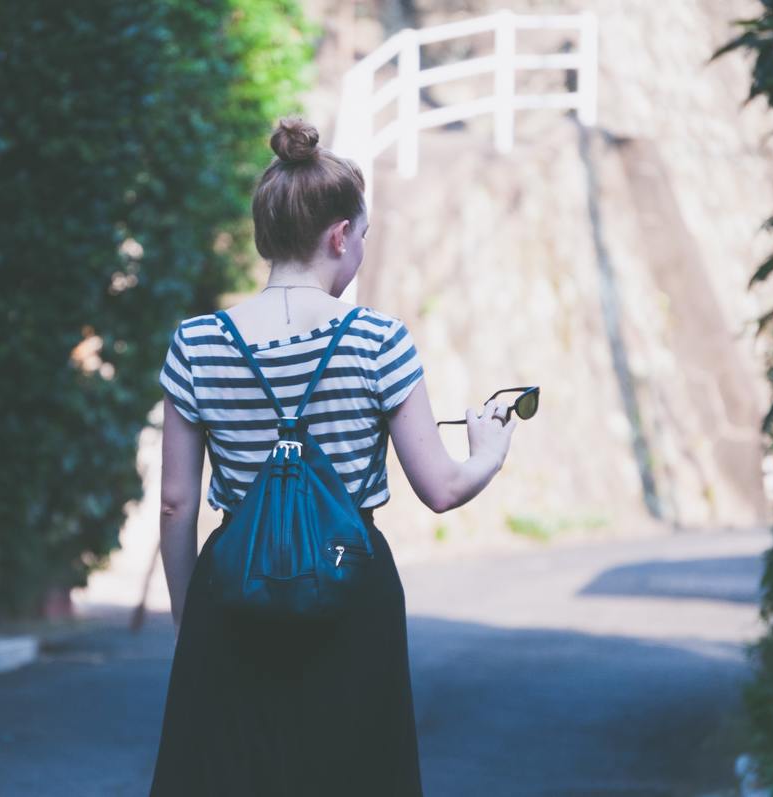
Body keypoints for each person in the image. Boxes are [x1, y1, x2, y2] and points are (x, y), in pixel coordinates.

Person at [149, 116, 516, 797]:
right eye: (364, 238)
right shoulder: (379, 340)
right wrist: (487, 450)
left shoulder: (196, 343)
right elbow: (439, 486)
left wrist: (188, 617)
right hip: (350, 593)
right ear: (340, 235)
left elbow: (176, 502)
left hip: (235, 598)